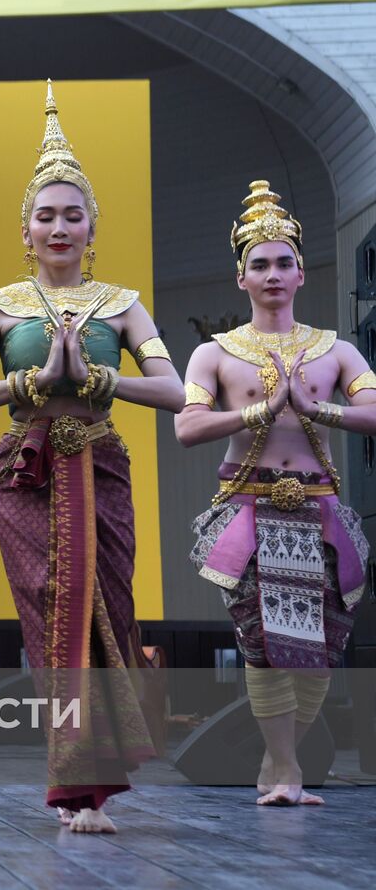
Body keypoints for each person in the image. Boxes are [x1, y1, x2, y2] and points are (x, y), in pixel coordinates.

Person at [0, 82, 183, 833]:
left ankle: (96, 780)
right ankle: (74, 782)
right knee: (53, 608)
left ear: (91, 226)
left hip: (101, 462)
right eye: (45, 215)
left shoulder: (121, 302)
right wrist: (34, 381)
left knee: (107, 606)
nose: (58, 226)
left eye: (71, 214)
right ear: (25, 228)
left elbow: (176, 393)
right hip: (28, 467)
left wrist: (98, 378)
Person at [177, 180, 374, 806]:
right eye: (258, 263)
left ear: (301, 273)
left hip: (319, 510)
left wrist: (319, 410)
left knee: (321, 646)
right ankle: (286, 770)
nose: (272, 273)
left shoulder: (336, 349)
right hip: (250, 508)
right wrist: (262, 411)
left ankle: (276, 764)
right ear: (241, 277)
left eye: (283, 261)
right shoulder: (216, 352)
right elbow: (187, 428)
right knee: (264, 643)